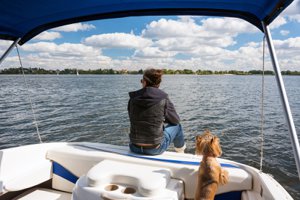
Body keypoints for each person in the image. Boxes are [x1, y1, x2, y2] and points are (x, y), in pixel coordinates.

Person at [128, 68, 186, 155]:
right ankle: (180, 152)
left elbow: (133, 117)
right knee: (177, 126)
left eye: (141, 81)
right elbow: (175, 120)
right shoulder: (163, 98)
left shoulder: (132, 98)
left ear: (144, 82)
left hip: (134, 147)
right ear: (158, 83)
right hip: (155, 149)